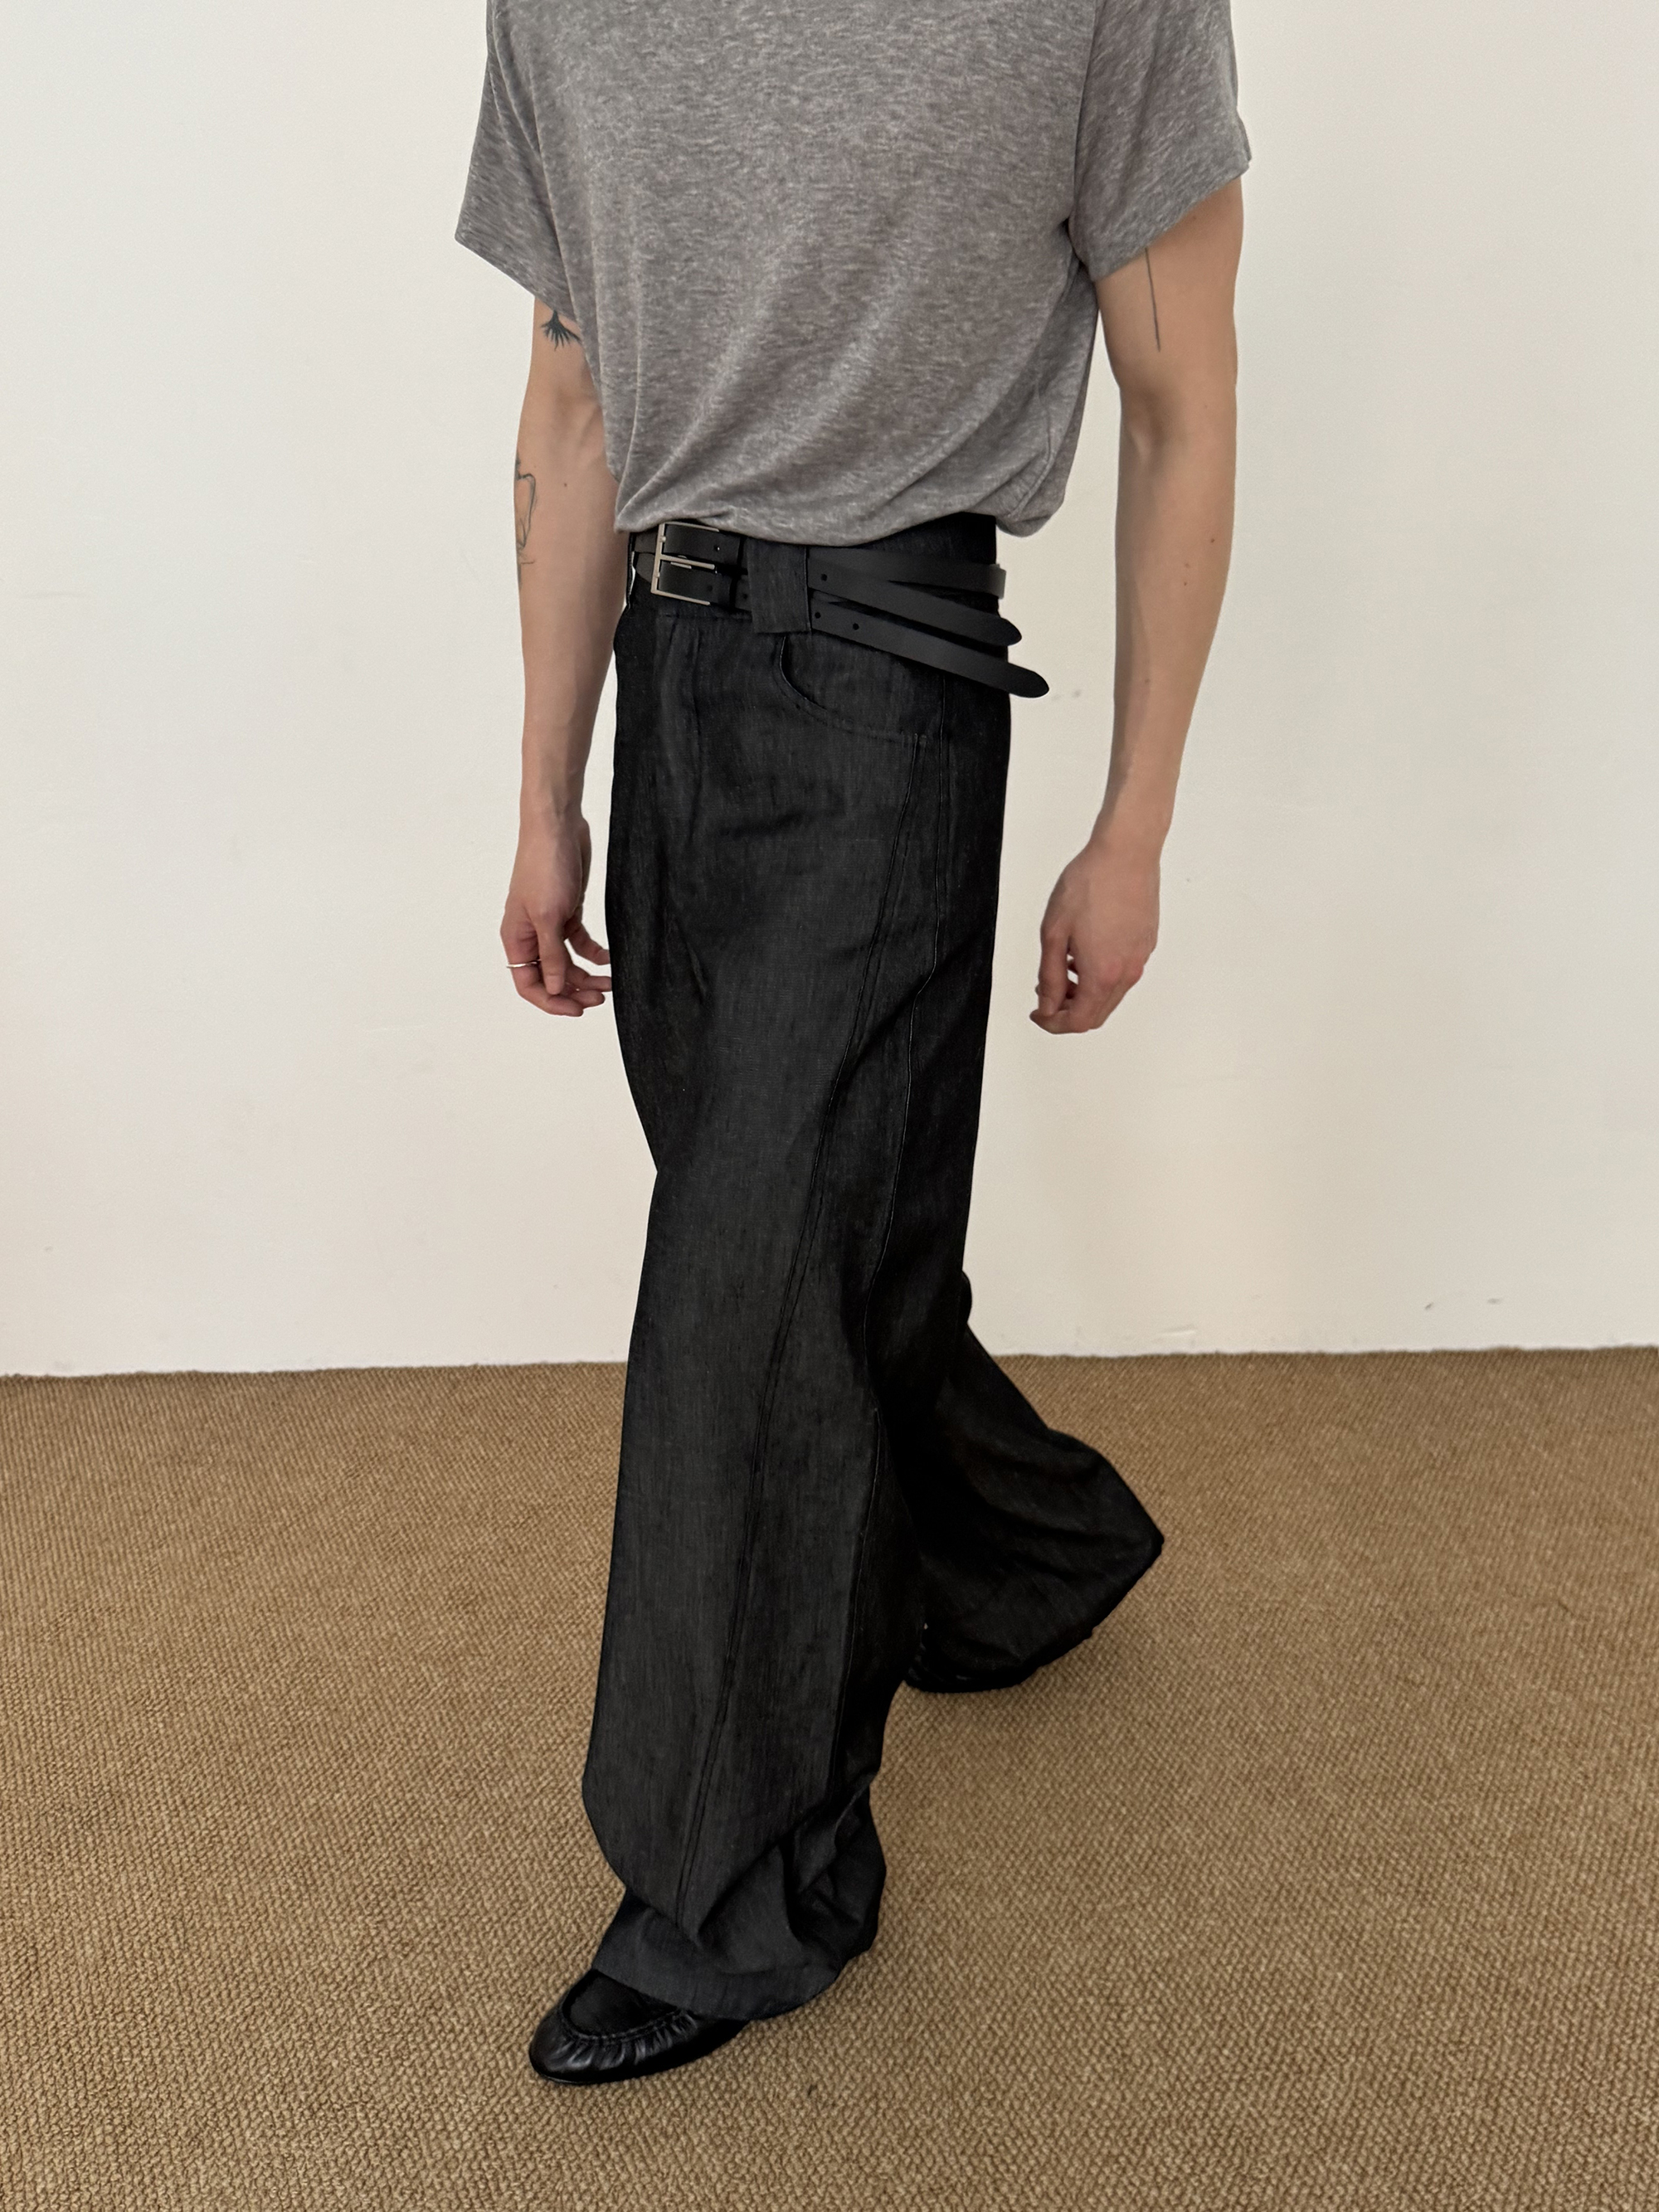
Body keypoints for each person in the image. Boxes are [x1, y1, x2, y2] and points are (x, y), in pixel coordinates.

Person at [455, 0, 1248, 2086]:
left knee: (748, 1295)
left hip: (891, 685)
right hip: (671, 677)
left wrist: (1133, 827)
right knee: (811, 1244)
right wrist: (546, 786)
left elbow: (1184, 396)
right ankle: (1015, 1557)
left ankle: (742, 1891)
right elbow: (571, 392)